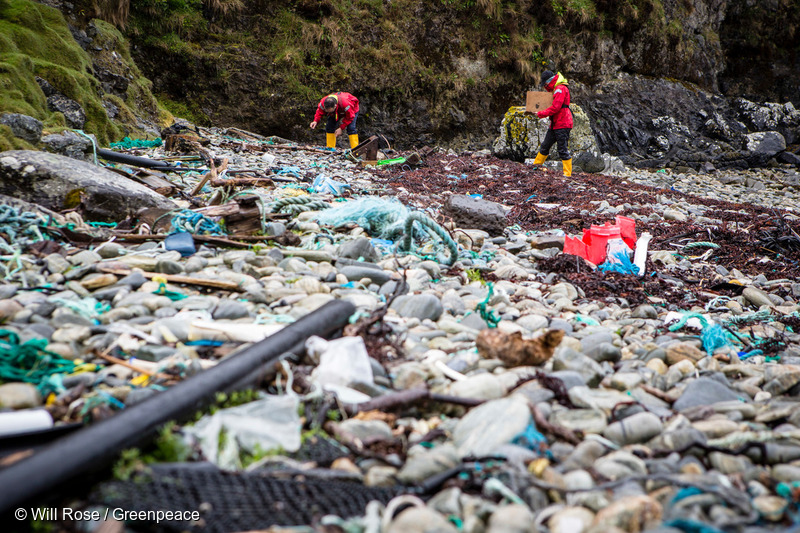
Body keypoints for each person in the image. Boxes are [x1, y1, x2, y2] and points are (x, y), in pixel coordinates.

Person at [531, 70, 573, 177]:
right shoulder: (556, 89)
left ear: (549, 81)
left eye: (545, 84)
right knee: (545, 145)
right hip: (555, 124)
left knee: (562, 149)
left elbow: (555, 107)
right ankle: (535, 167)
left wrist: (540, 113)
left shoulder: (559, 89)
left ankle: (567, 174)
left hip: (562, 124)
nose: (544, 86)